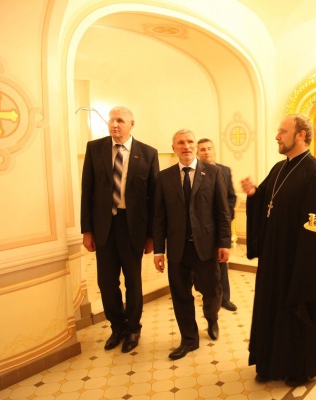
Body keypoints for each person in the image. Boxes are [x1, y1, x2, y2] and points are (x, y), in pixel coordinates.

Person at [241, 113, 316, 387]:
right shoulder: (279, 168)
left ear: (301, 135)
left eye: (283, 131)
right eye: (278, 131)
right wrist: (254, 195)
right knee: (271, 311)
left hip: (299, 263)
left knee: (297, 315)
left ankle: (302, 368)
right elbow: (267, 202)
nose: (277, 136)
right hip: (273, 259)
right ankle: (270, 362)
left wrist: (304, 270)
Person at [80, 105, 160, 353]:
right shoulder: (95, 148)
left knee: (133, 282)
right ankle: (118, 327)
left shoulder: (148, 153)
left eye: (120, 120)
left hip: (132, 227)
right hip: (104, 227)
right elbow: (87, 191)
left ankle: (134, 328)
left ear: (131, 124)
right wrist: (87, 230)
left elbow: (154, 198)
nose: (114, 124)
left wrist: (152, 236)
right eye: (112, 120)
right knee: (106, 282)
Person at [153, 129, 232, 361]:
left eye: (190, 142)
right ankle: (189, 339)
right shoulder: (164, 177)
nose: (186, 146)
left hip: (206, 247)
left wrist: (224, 243)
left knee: (212, 291)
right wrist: (158, 250)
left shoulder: (214, 172)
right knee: (181, 295)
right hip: (177, 248)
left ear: (195, 146)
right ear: (174, 148)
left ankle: (212, 318)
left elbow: (222, 211)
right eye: (180, 143)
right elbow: (159, 217)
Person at [196, 137, 238, 312]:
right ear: (197, 153)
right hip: (201, 227)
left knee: (221, 262)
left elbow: (231, 197)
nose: (206, 152)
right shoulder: (194, 172)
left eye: (209, 148)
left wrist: (226, 217)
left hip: (220, 225)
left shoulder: (224, 171)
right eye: (202, 149)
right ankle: (206, 294)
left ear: (214, 150)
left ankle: (224, 298)